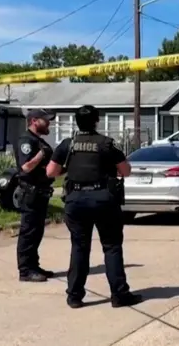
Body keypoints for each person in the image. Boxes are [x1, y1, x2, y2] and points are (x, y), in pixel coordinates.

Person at [46, 105, 142, 309]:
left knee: (79, 248)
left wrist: (70, 169)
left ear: (76, 122)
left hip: (76, 200)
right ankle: (119, 295)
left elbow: (50, 172)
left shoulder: (68, 144)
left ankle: (74, 296)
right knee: (112, 247)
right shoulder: (107, 144)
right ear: (97, 121)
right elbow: (125, 171)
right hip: (104, 199)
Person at [14, 109, 56, 282]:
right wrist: (41, 155)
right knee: (28, 232)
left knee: (36, 232)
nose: (49, 123)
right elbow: (25, 167)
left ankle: (33, 266)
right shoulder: (27, 140)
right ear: (34, 121)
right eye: (45, 120)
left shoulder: (38, 141)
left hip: (41, 192)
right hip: (30, 192)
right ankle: (25, 271)